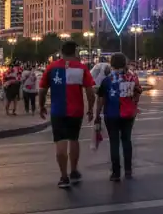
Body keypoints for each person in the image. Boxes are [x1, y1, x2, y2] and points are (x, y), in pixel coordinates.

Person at [39, 41, 96, 189]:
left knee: (60, 142)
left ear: (61, 52)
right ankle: (74, 171)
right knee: (74, 139)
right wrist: (90, 109)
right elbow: (90, 92)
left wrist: (41, 106)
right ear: (75, 52)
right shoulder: (82, 68)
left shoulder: (51, 68)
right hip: (76, 110)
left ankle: (64, 177)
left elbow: (42, 89)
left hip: (58, 110)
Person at [95, 53, 142, 181]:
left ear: (112, 64)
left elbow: (101, 100)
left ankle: (116, 173)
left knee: (114, 142)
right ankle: (128, 170)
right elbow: (138, 93)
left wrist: (97, 116)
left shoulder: (107, 80)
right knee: (127, 140)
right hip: (128, 114)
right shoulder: (133, 78)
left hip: (111, 114)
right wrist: (134, 104)